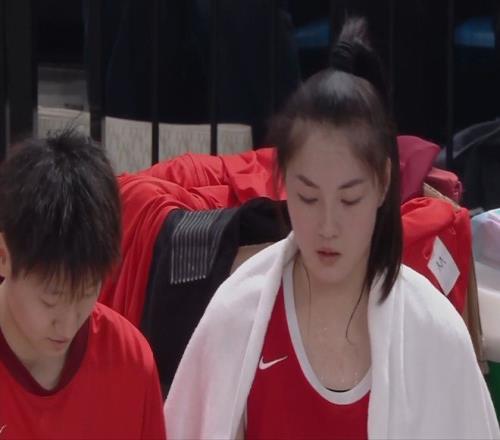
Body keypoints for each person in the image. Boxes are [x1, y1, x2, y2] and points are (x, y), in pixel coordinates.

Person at [164, 17, 500, 439]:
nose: (327, 226)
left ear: (383, 184)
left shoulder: (433, 331)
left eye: (349, 199)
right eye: (308, 197)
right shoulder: (237, 313)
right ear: (283, 182)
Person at [0, 130, 166, 439]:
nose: (66, 326)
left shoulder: (129, 361)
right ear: (3, 257)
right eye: (50, 300)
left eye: (87, 294)